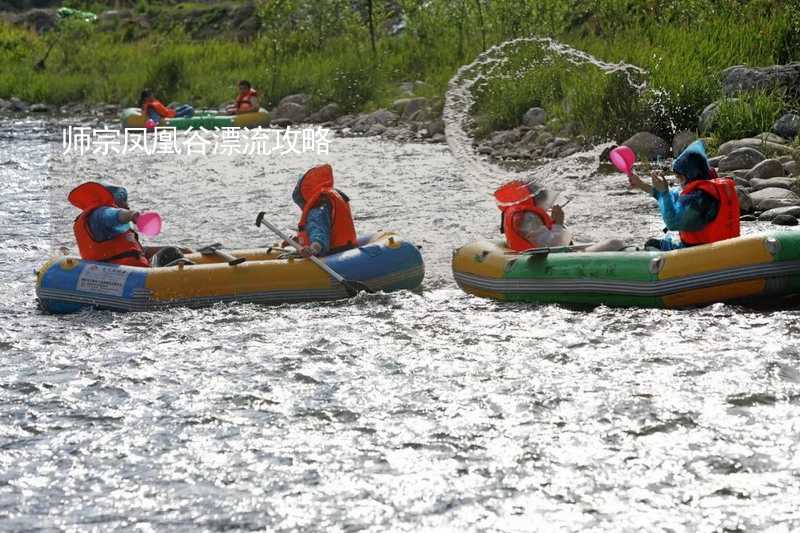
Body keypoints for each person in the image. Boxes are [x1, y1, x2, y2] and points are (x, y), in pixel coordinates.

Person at [627, 140, 740, 250]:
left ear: (686, 177)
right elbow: (671, 199)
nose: (677, 182)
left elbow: (672, 223)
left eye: (678, 177)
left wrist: (664, 192)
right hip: (725, 250)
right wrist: (641, 184)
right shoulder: (707, 190)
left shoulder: (699, 199)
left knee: (651, 244)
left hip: (701, 254)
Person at [69, 181, 191, 267]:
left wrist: (181, 250)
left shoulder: (95, 219)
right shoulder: (102, 213)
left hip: (110, 271)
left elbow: (130, 251)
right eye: (123, 200)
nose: (127, 205)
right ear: (111, 200)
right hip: (128, 273)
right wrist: (133, 215)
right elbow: (116, 214)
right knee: (171, 253)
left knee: (175, 250)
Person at [495, 179, 623, 252]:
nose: (546, 204)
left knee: (606, 244)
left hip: (535, 257)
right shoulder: (529, 218)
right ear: (533, 199)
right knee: (615, 243)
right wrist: (558, 223)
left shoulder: (520, 214)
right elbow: (555, 247)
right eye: (543, 200)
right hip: (542, 264)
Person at [290, 164, 357, 257]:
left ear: (305, 198)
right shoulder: (331, 197)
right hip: (347, 247)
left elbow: (320, 234)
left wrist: (313, 249)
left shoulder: (317, 210)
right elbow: (327, 228)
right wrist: (298, 239)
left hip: (333, 253)